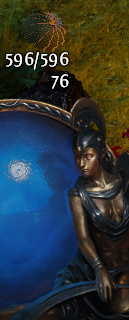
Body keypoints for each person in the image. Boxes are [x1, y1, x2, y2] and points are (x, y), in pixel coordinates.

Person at [68, 100, 129, 317]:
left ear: (101, 154)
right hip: (102, 272)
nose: (81, 164)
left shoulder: (124, 182)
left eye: (87, 156)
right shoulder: (78, 194)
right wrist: (99, 268)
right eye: (77, 157)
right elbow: (84, 238)